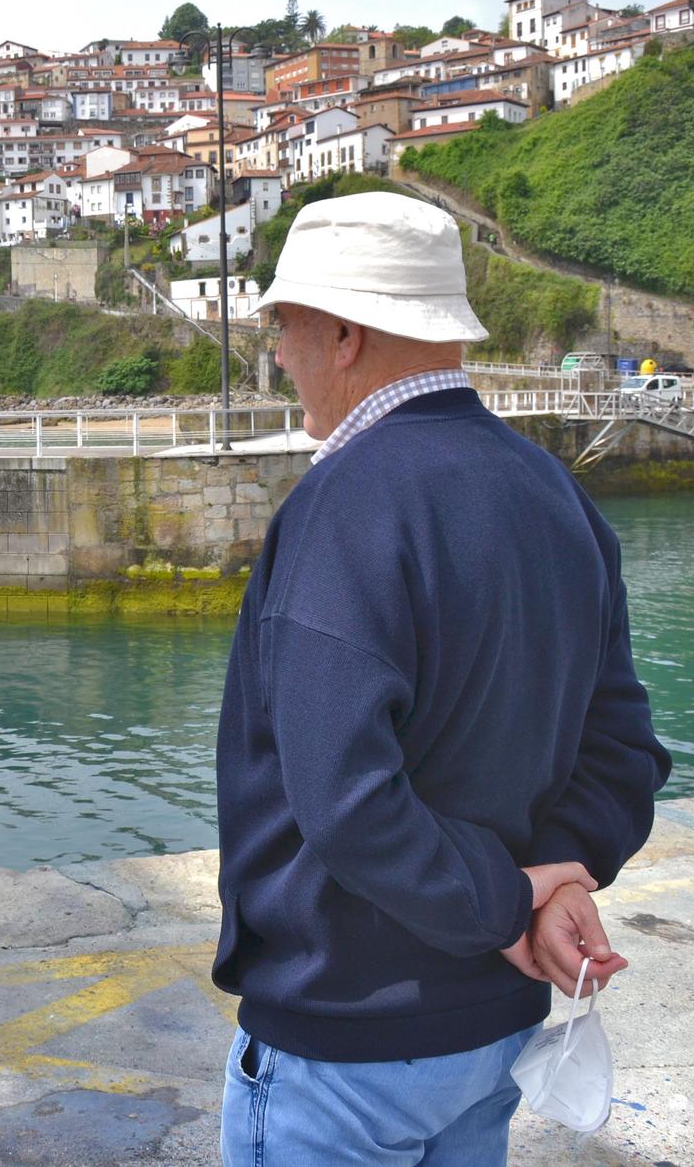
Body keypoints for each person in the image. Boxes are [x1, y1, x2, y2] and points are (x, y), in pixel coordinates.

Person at [213, 192, 670, 1165]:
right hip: (496, 1028)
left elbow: (344, 796)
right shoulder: (551, 490)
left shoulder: (342, 505)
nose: (277, 353)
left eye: (284, 325)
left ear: (340, 333)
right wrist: (552, 884)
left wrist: (505, 907)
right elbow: (622, 747)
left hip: (347, 1036)